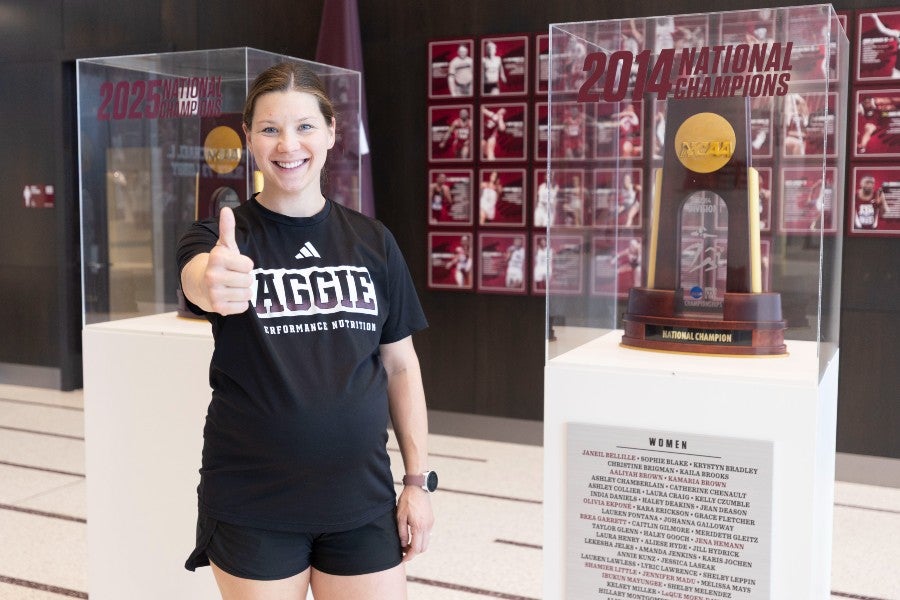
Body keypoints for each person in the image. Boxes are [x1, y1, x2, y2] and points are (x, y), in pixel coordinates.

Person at [177, 63, 434, 600]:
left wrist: (415, 483)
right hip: (254, 501)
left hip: (361, 499)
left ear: (332, 132)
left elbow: (400, 364)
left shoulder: (373, 241)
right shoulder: (220, 238)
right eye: (269, 129)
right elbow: (199, 279)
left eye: (305, 126)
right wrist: (210, 281)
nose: (287, 144)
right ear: (249, 138)